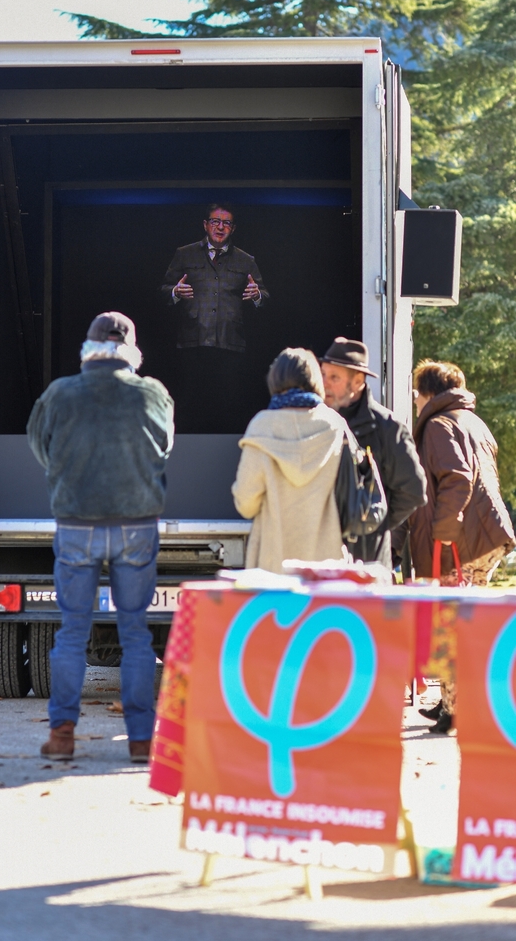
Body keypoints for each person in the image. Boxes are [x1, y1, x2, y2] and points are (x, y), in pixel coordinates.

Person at [27, 311, 174, 763]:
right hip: (136, 524)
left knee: (72, 631)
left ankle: (63, 735)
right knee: (135, 634)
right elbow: (165, 445)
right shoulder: (153, 393)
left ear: (88, 349)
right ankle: (140, 740)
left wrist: (66, 475)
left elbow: (39, 445)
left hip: (76, 522)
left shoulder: (59, 393)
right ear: (132, 352)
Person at [409, 360, 515, 733]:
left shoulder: (438, 425)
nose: (414, 402)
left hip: (463, 540)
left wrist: (443, 532)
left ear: (428, 394)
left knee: (451, 627)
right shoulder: (473, 421)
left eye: (416, 394)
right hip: (488, 534)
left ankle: (456, 713)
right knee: (465, 623)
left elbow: (457, 478)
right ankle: (450, 702)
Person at [232, 347, 348, 574]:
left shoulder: (262, 426)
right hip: (327, 569)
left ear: (274, 380)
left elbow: (245, 504)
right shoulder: (335, 425)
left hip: (272, 568)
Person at [161, 204, 269, 432]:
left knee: (229, 401)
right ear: (205, 225)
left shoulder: (246, 260)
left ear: (233, 228)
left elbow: (265, 296)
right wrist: (175, 292)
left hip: (230, 343)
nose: (220, 227)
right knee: (191, 401)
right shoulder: (185, 254)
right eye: (215, 221)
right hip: (193, 341)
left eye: (226, 223)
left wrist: (257, 295)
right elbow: (163, 291)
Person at [321, 337, 426, 567]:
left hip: (367, 563)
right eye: (323, 375)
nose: (325, 384)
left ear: (358, 381)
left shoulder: (387, 428)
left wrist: (372, 525)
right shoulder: (316, 422)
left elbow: (413, 491)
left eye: (334, 377)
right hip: (320, 560)